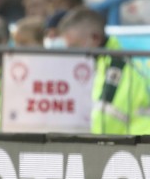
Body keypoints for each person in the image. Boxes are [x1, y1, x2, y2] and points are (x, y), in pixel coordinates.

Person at [57, 7, 150, 135]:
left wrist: (94, 143)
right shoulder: (108, 58)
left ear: (95, 38)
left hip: (140, 139)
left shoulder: (117, 63)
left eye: (75, 46)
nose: (73, 53)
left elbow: (108, 118)